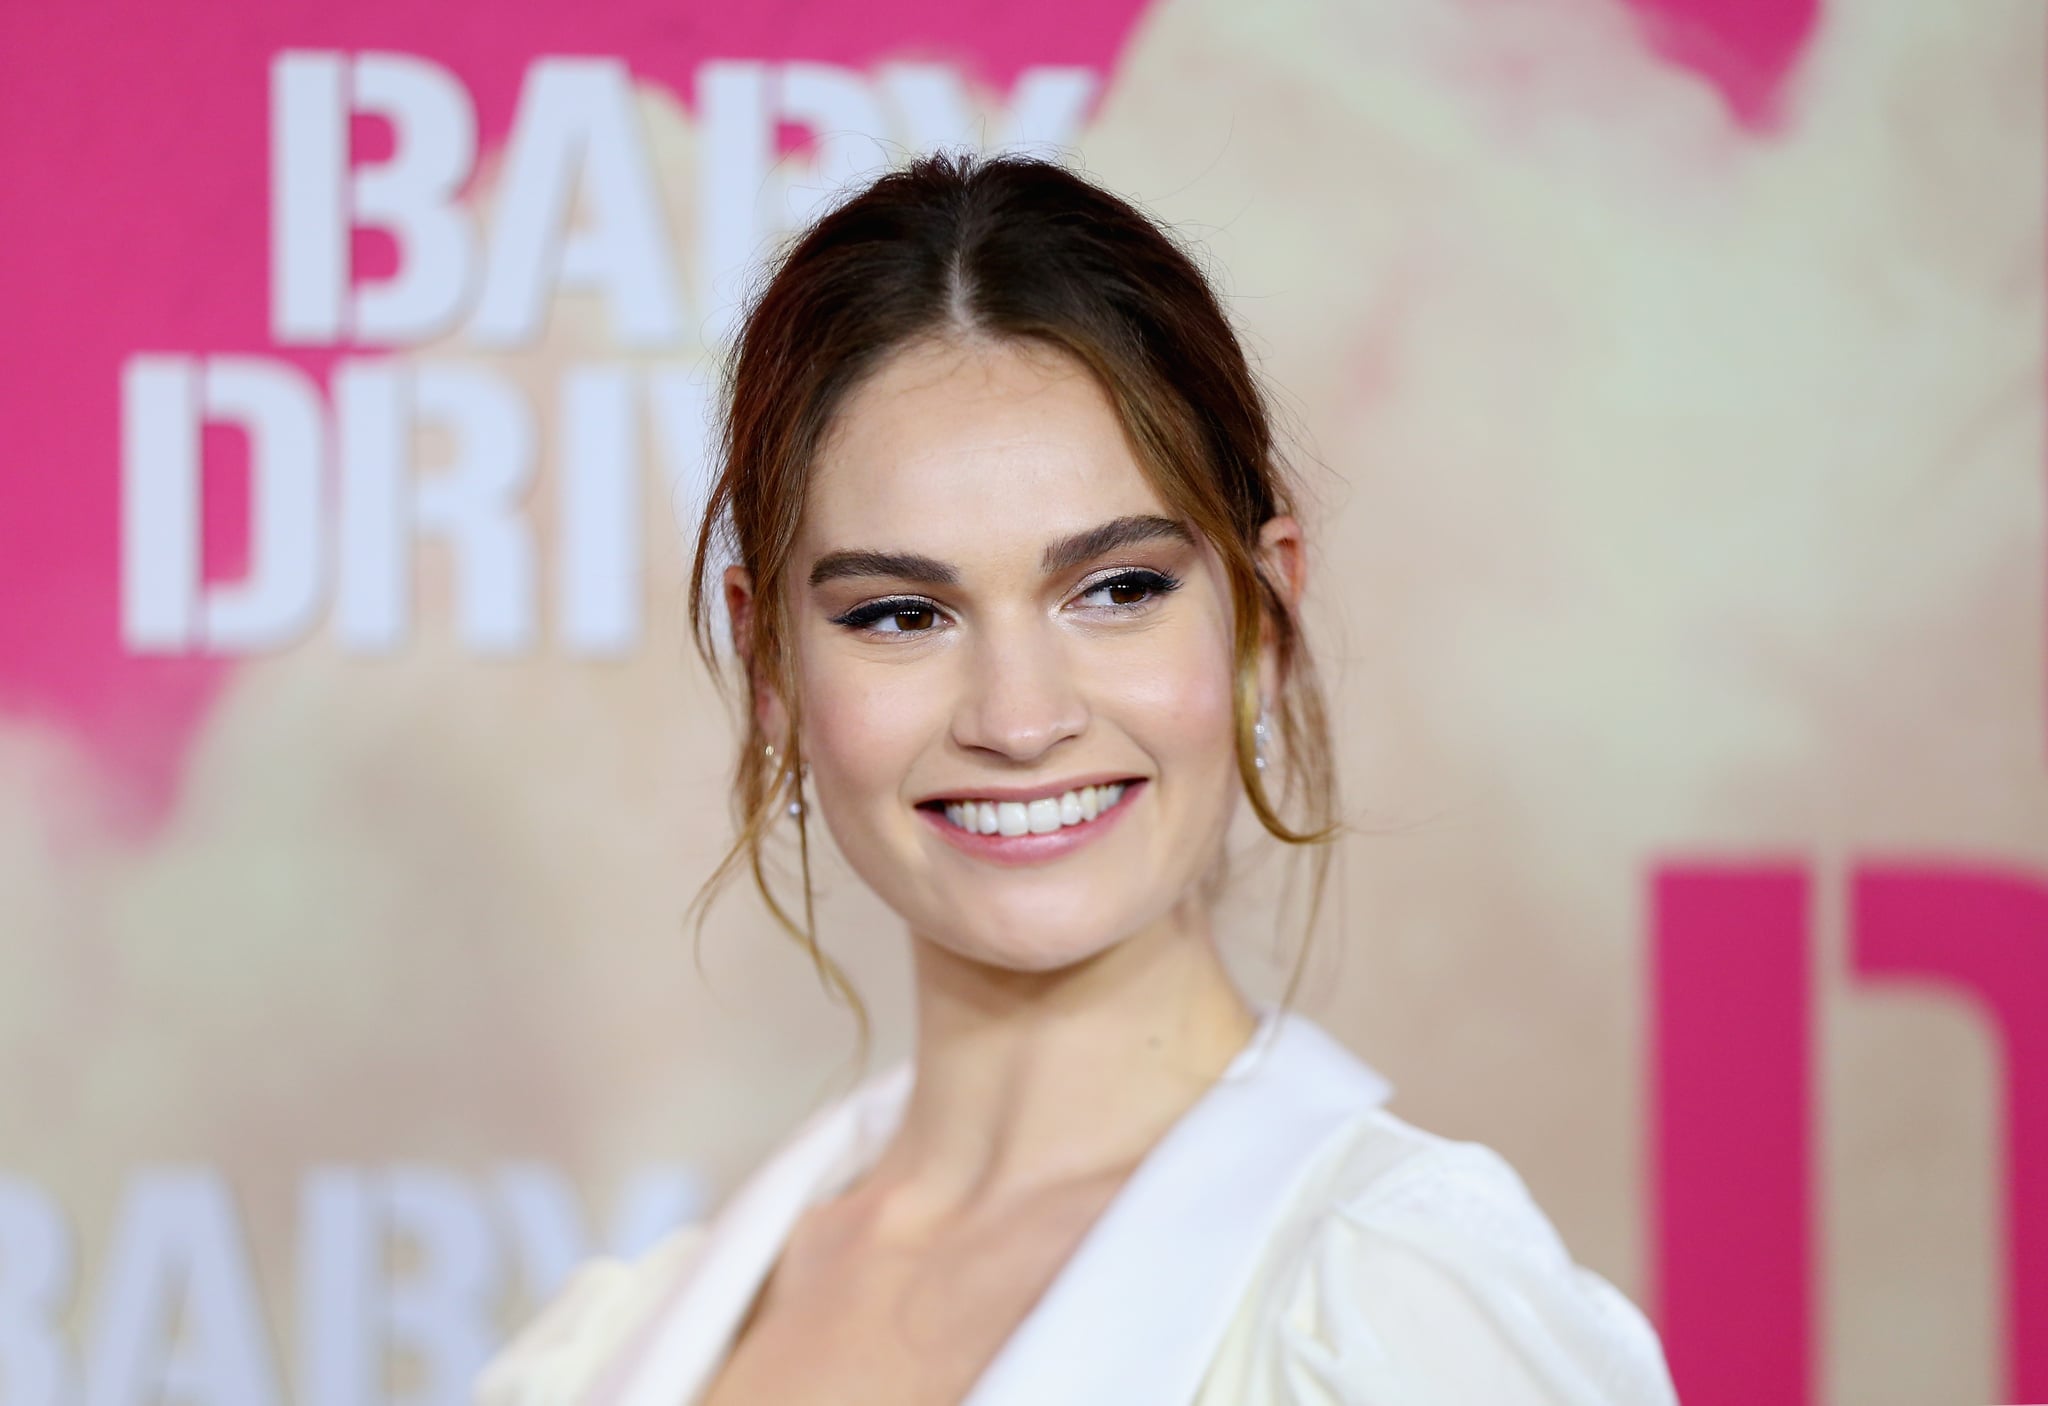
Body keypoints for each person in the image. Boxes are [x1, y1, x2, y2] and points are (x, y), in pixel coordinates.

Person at [473, 150, 1680, 1406]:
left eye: (1116, 589)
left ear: (1261, 617)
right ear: (768, 659)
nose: (1018, 716)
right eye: (898, 612)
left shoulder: (1392, 1308)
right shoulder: (619, 1345)